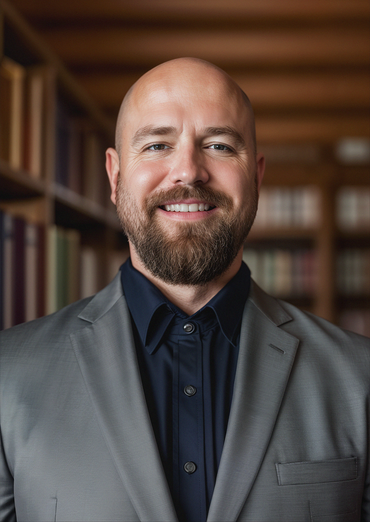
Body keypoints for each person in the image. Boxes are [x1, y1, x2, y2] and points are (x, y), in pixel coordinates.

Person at [0, 58, 369, 522]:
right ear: (115, 178)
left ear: (256, 177)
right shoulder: (5, 376)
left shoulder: (361, 378)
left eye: (218, 145)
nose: (188, 172)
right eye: (156, 145)